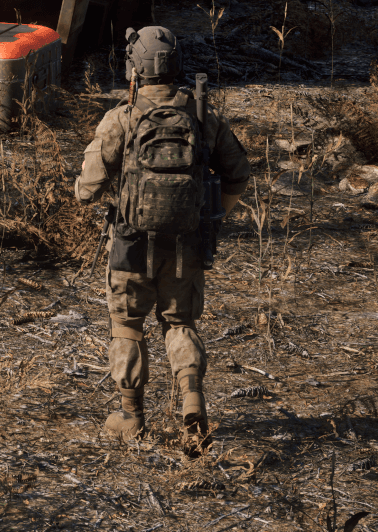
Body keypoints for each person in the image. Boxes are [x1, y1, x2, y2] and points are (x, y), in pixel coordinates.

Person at [76, 26, 251, 449]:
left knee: (127, 326)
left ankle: (130, 415)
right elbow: (238, 174)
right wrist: (211, 219)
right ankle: (193, 403)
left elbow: (86, 191)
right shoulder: (203, 114)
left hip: (131, 244)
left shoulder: (122, 116)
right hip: (187, 242)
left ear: (134, 70)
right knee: (179, 322)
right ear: (176, 66)